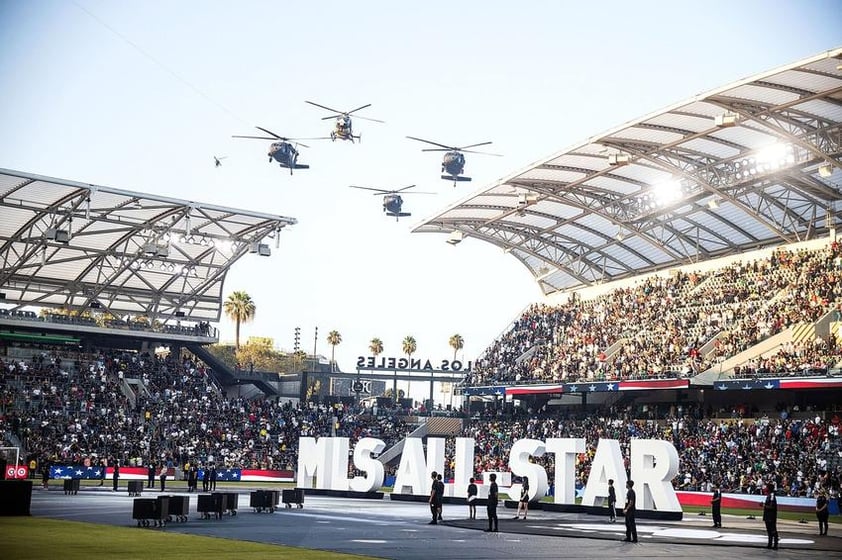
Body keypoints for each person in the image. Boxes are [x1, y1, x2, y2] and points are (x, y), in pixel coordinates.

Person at [762, 483, 779, 550]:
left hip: (771, 516)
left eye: (766, 487)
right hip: (767, 515)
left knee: (773, 530)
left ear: (769, 488)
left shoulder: (772, 495)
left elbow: (772, 506)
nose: (765, 488)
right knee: (769, 530)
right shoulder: (769, 495)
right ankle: (769, 544)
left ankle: (775, 544)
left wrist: (763, 505)